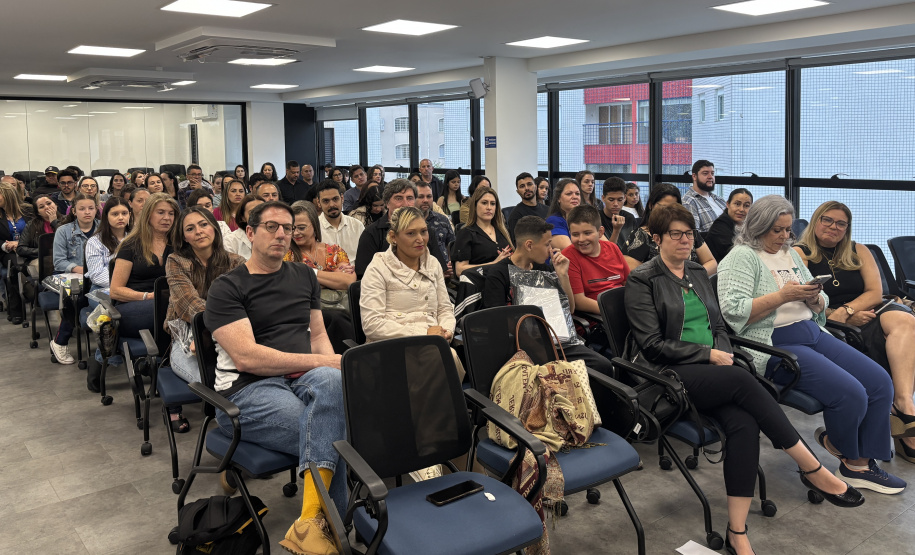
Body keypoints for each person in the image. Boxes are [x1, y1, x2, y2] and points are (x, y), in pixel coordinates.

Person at [626, 203, 864, 555]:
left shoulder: (695, 271)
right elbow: (652, 345)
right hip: (669, 376)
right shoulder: (642, 280)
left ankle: (737, 532)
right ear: (656, 238)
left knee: (744, 422)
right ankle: (811, 466)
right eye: (675, 234)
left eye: (689, 234)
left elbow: (720, 325)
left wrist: (722, 354)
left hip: (714, 372)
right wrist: (709, 356)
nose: (685, 241)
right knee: (741, 380)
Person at [718, 195, 905, 496]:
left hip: (812, 332)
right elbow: (734, 311)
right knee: (851, 392)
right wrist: (783, 296)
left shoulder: (789, 254)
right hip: (774, 341)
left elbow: (822, 302)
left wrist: (813, 297)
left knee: (881, 382)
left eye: (787, 230)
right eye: (777, 230)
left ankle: (861, 461)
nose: (784, 237)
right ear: (759, 226)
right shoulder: (741, 257)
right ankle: (849, 457)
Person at [204, 200, 347, 554]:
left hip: (300, 377)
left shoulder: (303, 276)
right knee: (334, 433)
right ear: (250, 233)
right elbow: (247, 357)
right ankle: (338, 533)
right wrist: (319, 363)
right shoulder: (226, 288)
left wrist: (328, 362)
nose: (283, 234)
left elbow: (317, 336)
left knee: (334, 387)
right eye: (272, 227)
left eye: (289, 227)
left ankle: (314, 525)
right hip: (246, 390)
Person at [795, 201, 915, 464]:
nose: (833, 227)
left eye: (841, 223)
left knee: (906, 322)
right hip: (825, 316)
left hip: (864, 310)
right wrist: (839, 315)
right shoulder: (800, 254)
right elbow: (801, 301)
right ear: (816, 221)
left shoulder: (857, 249)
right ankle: (903, 424)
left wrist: (849, 311)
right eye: (827, 220)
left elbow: (874, 291)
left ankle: (904, 404)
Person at [360, 206, 461, 482]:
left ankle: (431, 446)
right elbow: (372, 325)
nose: (421, 239)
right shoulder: (378, 267)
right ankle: (432, 449)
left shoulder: (432, 263)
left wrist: (445, 331)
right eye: (411, 233)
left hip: (433, 343)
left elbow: (446, 309)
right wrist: (425, 333)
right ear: (393, 236)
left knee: (443, 357)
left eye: (424, 231)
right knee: (445, 361)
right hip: (389, 347)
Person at [481, 215, 617, 375]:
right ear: (529, 245)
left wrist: (562, 275)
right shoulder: (499, 274)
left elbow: (570, 309)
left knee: (603, 366)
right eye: (547, 244)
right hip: (521, 347)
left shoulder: (543, 269)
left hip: (555, 340)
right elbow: (496, 322)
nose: (551, 250)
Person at [166, 206, 245, 393]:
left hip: (232, 336)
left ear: (214, 228)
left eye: (203, 224)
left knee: (245, 381)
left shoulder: (236, 262)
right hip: (188, 338)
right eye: (190, 228)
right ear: (184, 236)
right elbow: (188, 304)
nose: (199, 231)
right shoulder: (176, 260)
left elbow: (245, 304)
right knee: (212, 384)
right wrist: (222, 323)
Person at [285, 202, 356, 352]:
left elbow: (348, 281)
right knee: (335, 320)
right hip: (303, 315)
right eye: (291, 228)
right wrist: (332, 277)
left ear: (314, 226)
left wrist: (308, 273)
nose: (296, 233)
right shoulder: (287, 255)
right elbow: (292, 286)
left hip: (341, 309)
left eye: (301, 227)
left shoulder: (334, 250)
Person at [109, 193, 178, 341]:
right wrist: (148, 296)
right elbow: (115, 291)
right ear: (148, 214)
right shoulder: (130, 245)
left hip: (170, 302)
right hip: (135, 305)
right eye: (161, 212)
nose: (167, 218)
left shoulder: (178, 244)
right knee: (168, 308)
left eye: (171, 214)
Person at [83, 198, 132, 390]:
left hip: (129, 289)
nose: (120, 217)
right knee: (112, 316)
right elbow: (97, 274)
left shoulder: (136, 237)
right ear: (106, 216)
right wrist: (123, 281)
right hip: (101, 291)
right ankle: (98, 362)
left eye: (124, 213)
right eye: (115, 214)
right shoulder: (95, 241)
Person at [354, 179, 447, 278]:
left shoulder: (426, 230)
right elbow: (364, 274)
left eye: (410, 198)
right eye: (399, 198)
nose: (405, 204)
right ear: (387, 203)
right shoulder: (372, 233)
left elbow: (438, 270)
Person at [624, 183, 717, 276]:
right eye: (663, 207)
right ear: (651, 206)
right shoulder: (640, 236)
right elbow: (633, 274)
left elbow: (711, 263)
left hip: (693, 285)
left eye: (673, 207)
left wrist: (693, 277)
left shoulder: (689, 232)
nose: (668, 212)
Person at [50, 194, 99, 364]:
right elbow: (59, 261)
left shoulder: (103, 229)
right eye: (82, 209)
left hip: (96, 275)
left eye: (91, 208)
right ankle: (60, 342)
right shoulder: (63, 231)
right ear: (74, 211)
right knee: (76, 298)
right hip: (70, 275)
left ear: (96, 210)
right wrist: (85, 271)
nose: (87, 212)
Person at [564, 205, 629, 315]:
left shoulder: (612, 248)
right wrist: (615, 311)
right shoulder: (568, 257)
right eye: (575, 234)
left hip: (623, 310)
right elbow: (579, 301)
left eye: (587, 233)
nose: (581, 239)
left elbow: (628, 283)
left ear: (600, 232)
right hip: (598, 320)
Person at [453, 185, 513, 277]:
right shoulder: (466, 233)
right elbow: (459, 270)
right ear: (475, 206)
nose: (489, 207)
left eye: (492, 204)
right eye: (484, 203)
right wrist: (493, 264)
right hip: (481, 284)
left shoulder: (504, 231)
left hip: (507, 282)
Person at [0, 184, 28, 324]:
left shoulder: (27, 210)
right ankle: (17, 310)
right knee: (15, 267)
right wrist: (5, 245)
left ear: (8, 195)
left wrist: (20, 243)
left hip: (28, 248)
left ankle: (32, 296)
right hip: (7, 252)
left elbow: (37, 230)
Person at [17, 194, 62, 279]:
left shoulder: (67, 221)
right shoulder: (32, 225)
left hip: (63, 258)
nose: (47, 207)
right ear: (38, 212)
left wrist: (54, 222)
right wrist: (42, 251)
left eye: (49, 203)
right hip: (40, 259)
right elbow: (21, 248)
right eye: (41, 207)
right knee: (46, 265)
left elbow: (70, 242)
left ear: (55, 205)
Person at [416, 181, 455, 273]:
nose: (425, 200)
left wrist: (450, 265)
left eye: (429, 196)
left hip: (446, 273)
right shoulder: (408, 223)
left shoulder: (442, 220)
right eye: (421, 196)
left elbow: (452, 246)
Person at [706, 188, 753, 262]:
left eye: (746, 206)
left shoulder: (750, 225)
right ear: (728, 204)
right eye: (737, 204)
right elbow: (734, 256)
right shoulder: (719, 227)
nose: (741, 209)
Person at [683, 160, 728, 233]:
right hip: (712, 243)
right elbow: (694, 235)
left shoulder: (719, 199)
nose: (710, 177)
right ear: (694, 176)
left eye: (712, 173)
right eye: (705, 173)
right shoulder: (689, 202)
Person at [506, 172, 548, 243]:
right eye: (522, 186)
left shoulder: (547, 210)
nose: (527, 188)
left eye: (529, 184)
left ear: (536, 186)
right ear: (518, 191)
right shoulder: (516, 216)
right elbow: (518, 244)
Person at [599, 177, 637, 250]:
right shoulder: (596, 218)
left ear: (625, 198)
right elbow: (607, 251)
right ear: (603, 198)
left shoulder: (630, 218)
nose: (616, 204)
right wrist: (616, 230)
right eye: (611, 200)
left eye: (620, 199)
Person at [545, 178, 581, 251]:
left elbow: (607, 245)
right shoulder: (554, 221)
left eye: (577, 194)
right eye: (569, 194)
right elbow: (570, 252)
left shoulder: (584, 218)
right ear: (558, 198)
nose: (575, 197)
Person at [223, 195, 264, 260]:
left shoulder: (277, 235)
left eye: (262, 212)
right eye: (252, 212)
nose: (259, 216)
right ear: (243, 218)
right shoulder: (230, 241)